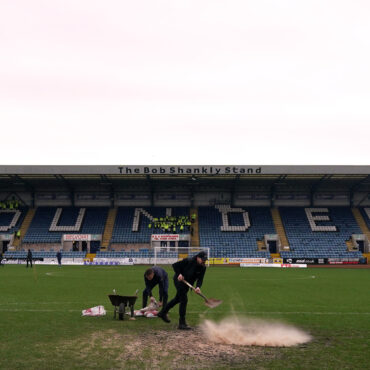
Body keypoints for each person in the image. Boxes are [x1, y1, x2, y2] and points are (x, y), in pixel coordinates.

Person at [158, 251, 207, 330]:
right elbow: (175, 265)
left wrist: (198, 287)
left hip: (187, 284)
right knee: (184, 300)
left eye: (205, 260)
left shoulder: (203, 267)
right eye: (203, 259)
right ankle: (182, 323)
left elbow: (200, 279)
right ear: (198, 258)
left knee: (177, 299)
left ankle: (162, 313)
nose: (204, 261)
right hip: (179, 280)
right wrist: (179, 274)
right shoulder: (188, 261)